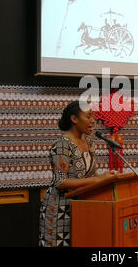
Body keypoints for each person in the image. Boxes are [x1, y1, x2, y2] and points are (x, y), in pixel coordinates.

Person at [38, 101, 117, 247]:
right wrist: (98, 179)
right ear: (74, 119)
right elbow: (61, 182)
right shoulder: (62, 144)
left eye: (93, 116)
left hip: (83, 207)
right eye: (88, 117)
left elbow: (91, 175)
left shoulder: (89, 141)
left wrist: (103, 178)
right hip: (60, 209)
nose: (93, 121)